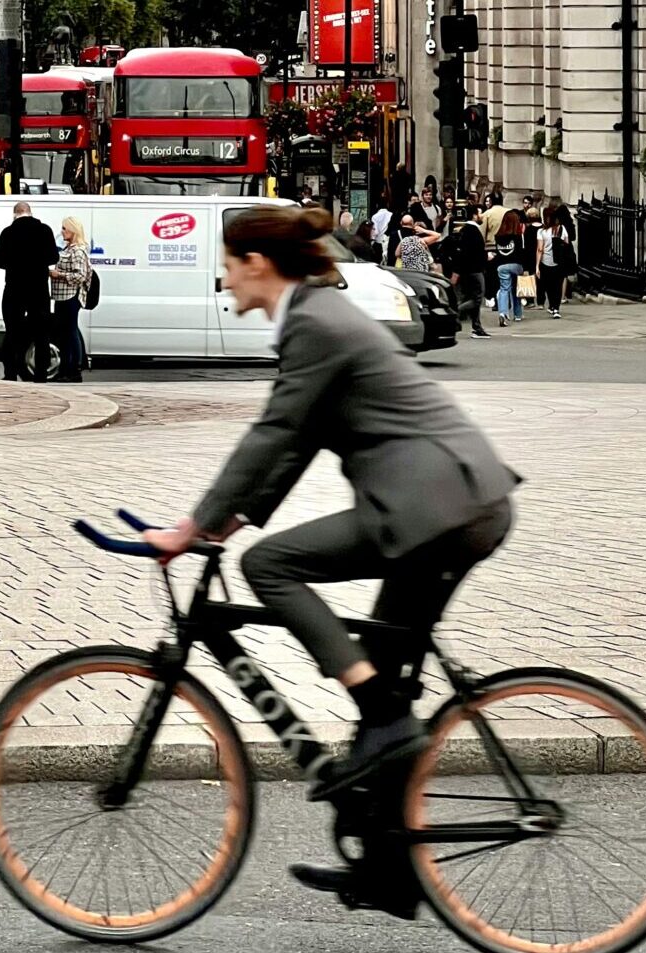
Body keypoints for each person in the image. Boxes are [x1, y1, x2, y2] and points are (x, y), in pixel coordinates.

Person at [140, 204, 518, 910]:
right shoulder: (318, 315)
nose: (225, 280)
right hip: (446, 506)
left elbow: (273, 431)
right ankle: (389, 866)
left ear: (257, 264)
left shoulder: (314, 322)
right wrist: (236, 517)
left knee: (272, 568)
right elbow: (302, 437)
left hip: (434, 510)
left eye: (227, 265)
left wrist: (194, 525)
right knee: (386, 715)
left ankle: (381, 710)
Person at [0, 201, 59, 382]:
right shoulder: (45, 230)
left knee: (12, 331)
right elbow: (54, 257)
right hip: (38, 288)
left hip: (14, 287)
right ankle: (41, 374)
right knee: (41, 333)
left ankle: (10, 372)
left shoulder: (8, 232)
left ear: (15, 214)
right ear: (30, 212)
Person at [48, 216, 90, 383]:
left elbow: (81, 275)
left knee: (70, 333)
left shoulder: (78, 250)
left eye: (65, 228)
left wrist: (60, 275)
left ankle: (74, 369)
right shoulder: (68, 248)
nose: (62, 231)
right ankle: (66, 368)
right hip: (61, 296)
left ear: (73, 230)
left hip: (70, 296)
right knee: (64, 334)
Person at [448, 204, 490, 339]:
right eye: (480, 213)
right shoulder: (472, 231)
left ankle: (476, 327)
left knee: (473, 298)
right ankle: (455, 313)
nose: (482, 215)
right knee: (477, 298)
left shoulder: (467, 230)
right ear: (474, 215)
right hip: (474, 270)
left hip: (470, 270)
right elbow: (470, 252)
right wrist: (486, 256)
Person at [535, 205, 572, 319]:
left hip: (546, 262)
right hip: (559, 261)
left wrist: (537, 266)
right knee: (557, 285)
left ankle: (551, 305)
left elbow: (540, 249)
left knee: (548, 285)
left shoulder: (541, 231)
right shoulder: (561, 229)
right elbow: (567, 243)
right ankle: (556, 308)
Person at [493, 210, 527, 326]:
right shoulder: (517, 236)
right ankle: (517, 314)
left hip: (501, 265)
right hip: (515, 264)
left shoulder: (498, 236)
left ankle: (503, 313)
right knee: (515, 288)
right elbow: (521, 252)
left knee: (504, 289)